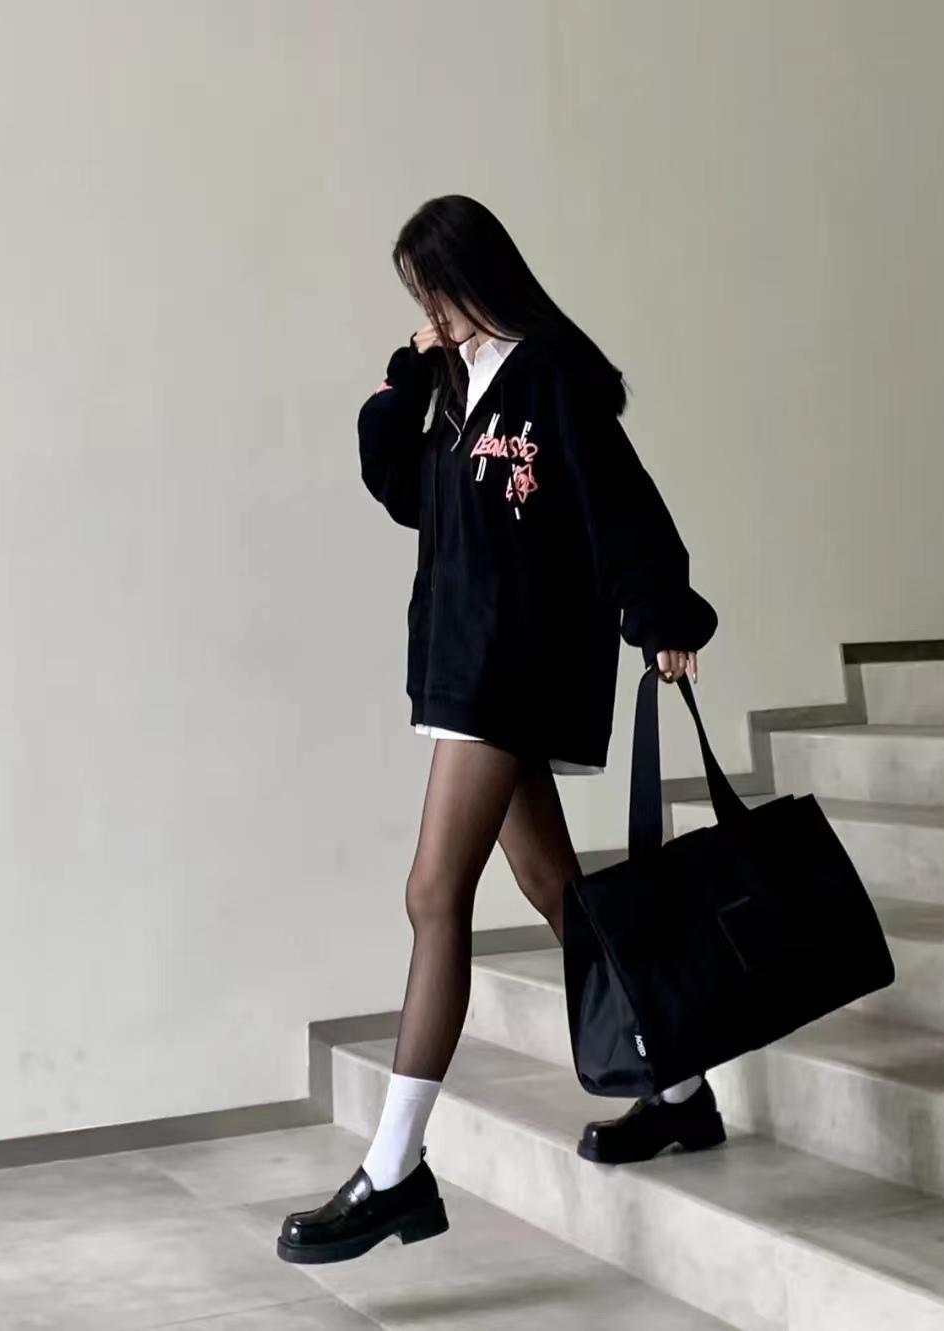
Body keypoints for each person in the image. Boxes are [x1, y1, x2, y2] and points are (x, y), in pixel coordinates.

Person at [276, 195, 722, 1266]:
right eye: (415, 296)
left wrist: (661, 612)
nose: (426, 310)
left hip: (513, 668)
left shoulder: (550, 374)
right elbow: (399, 489)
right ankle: (682, 1089)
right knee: (556, 888)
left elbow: (620, 500)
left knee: (433, 894)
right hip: (461, 663)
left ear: (473, 276)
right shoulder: (451, 382)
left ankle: (395, 1168)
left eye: (433, 290)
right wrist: (407, 369)